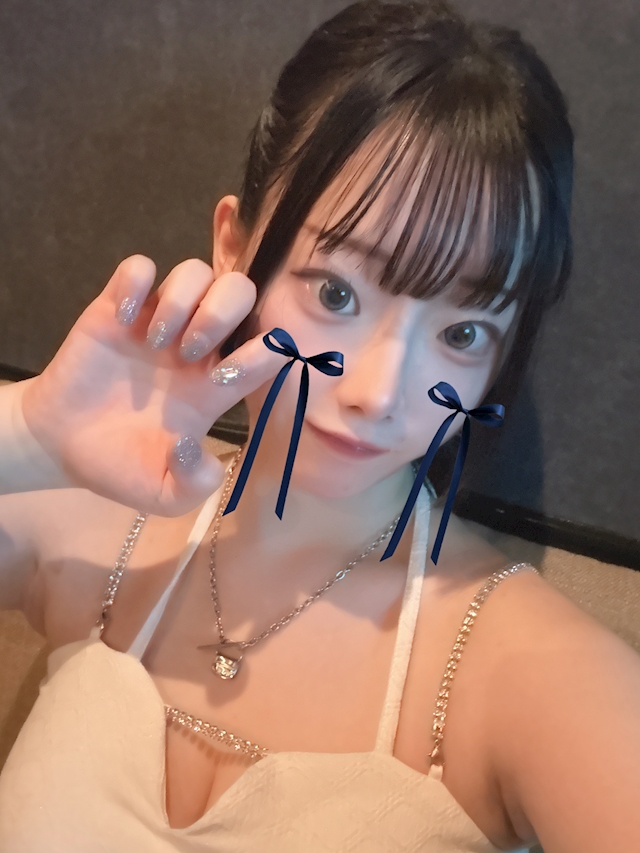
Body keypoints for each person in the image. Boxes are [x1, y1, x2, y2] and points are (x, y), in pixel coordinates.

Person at [0, 1, 638, 850]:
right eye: (337, 292)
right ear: (235, 248)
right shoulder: (90, 527)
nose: (378, 393)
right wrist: (27, 434)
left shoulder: (526, 668)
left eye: (461, 333)